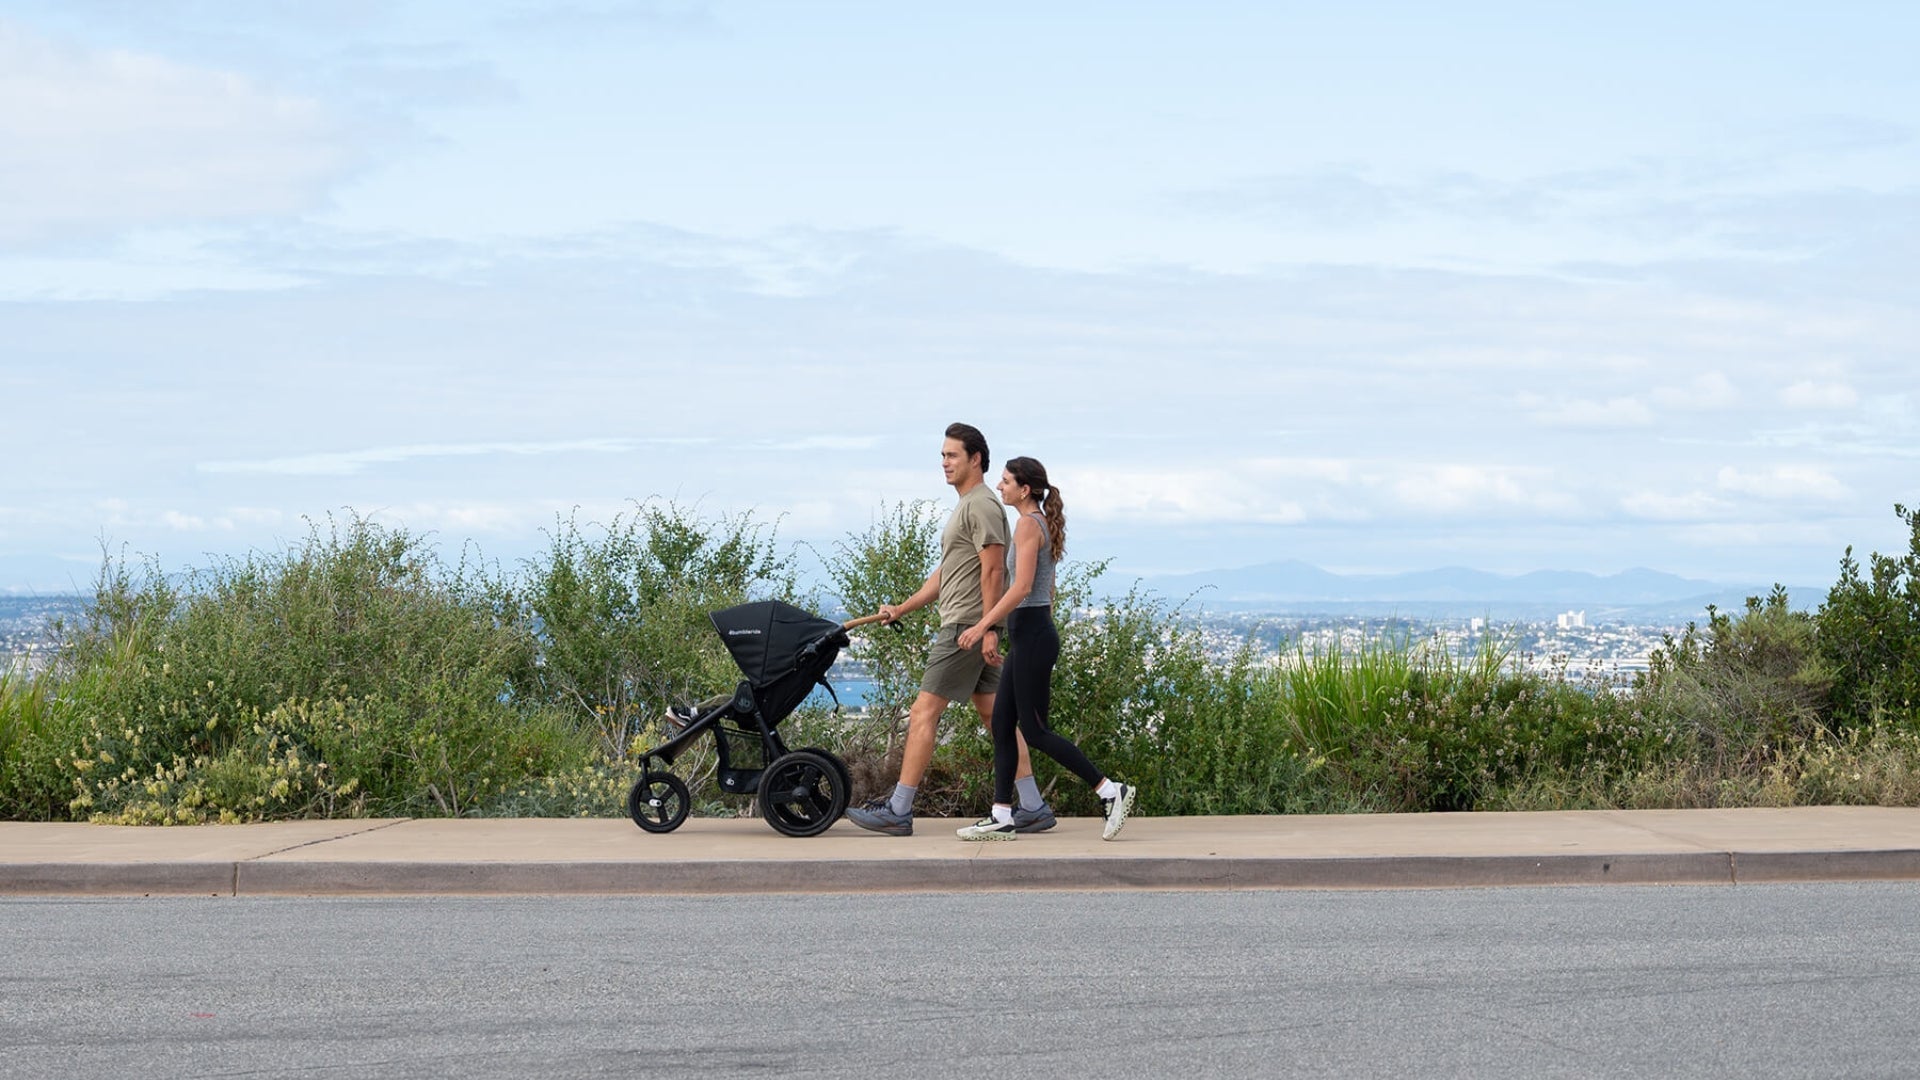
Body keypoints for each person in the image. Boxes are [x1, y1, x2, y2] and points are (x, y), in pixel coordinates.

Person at [845, 423, 1056, 836]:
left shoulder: (981, 504)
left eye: (952, 455)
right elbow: (947, 573)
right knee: (996, 715)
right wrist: (902, 608)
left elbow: (994, 568)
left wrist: (988, 627)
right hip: (969, 625)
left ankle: (899, 809)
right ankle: (1032, 805)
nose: (944, 462)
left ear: (975, 459)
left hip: (966, 627)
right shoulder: (967, 506)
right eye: (942, 455)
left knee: (924, 712)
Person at [954, 456, 1136, 841]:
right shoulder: (1036, 523)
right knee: (1002, 724)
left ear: (1024, 489)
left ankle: (1109, 790)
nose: (999, 486)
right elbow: (1044, 591)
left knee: (1035, 731)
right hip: (1030, 635)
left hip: (1033, 636)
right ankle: (1002, 815)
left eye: (1005, 482)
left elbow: (1020, 589)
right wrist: (1010, 636)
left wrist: (984, 626)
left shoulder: (1026, 525)